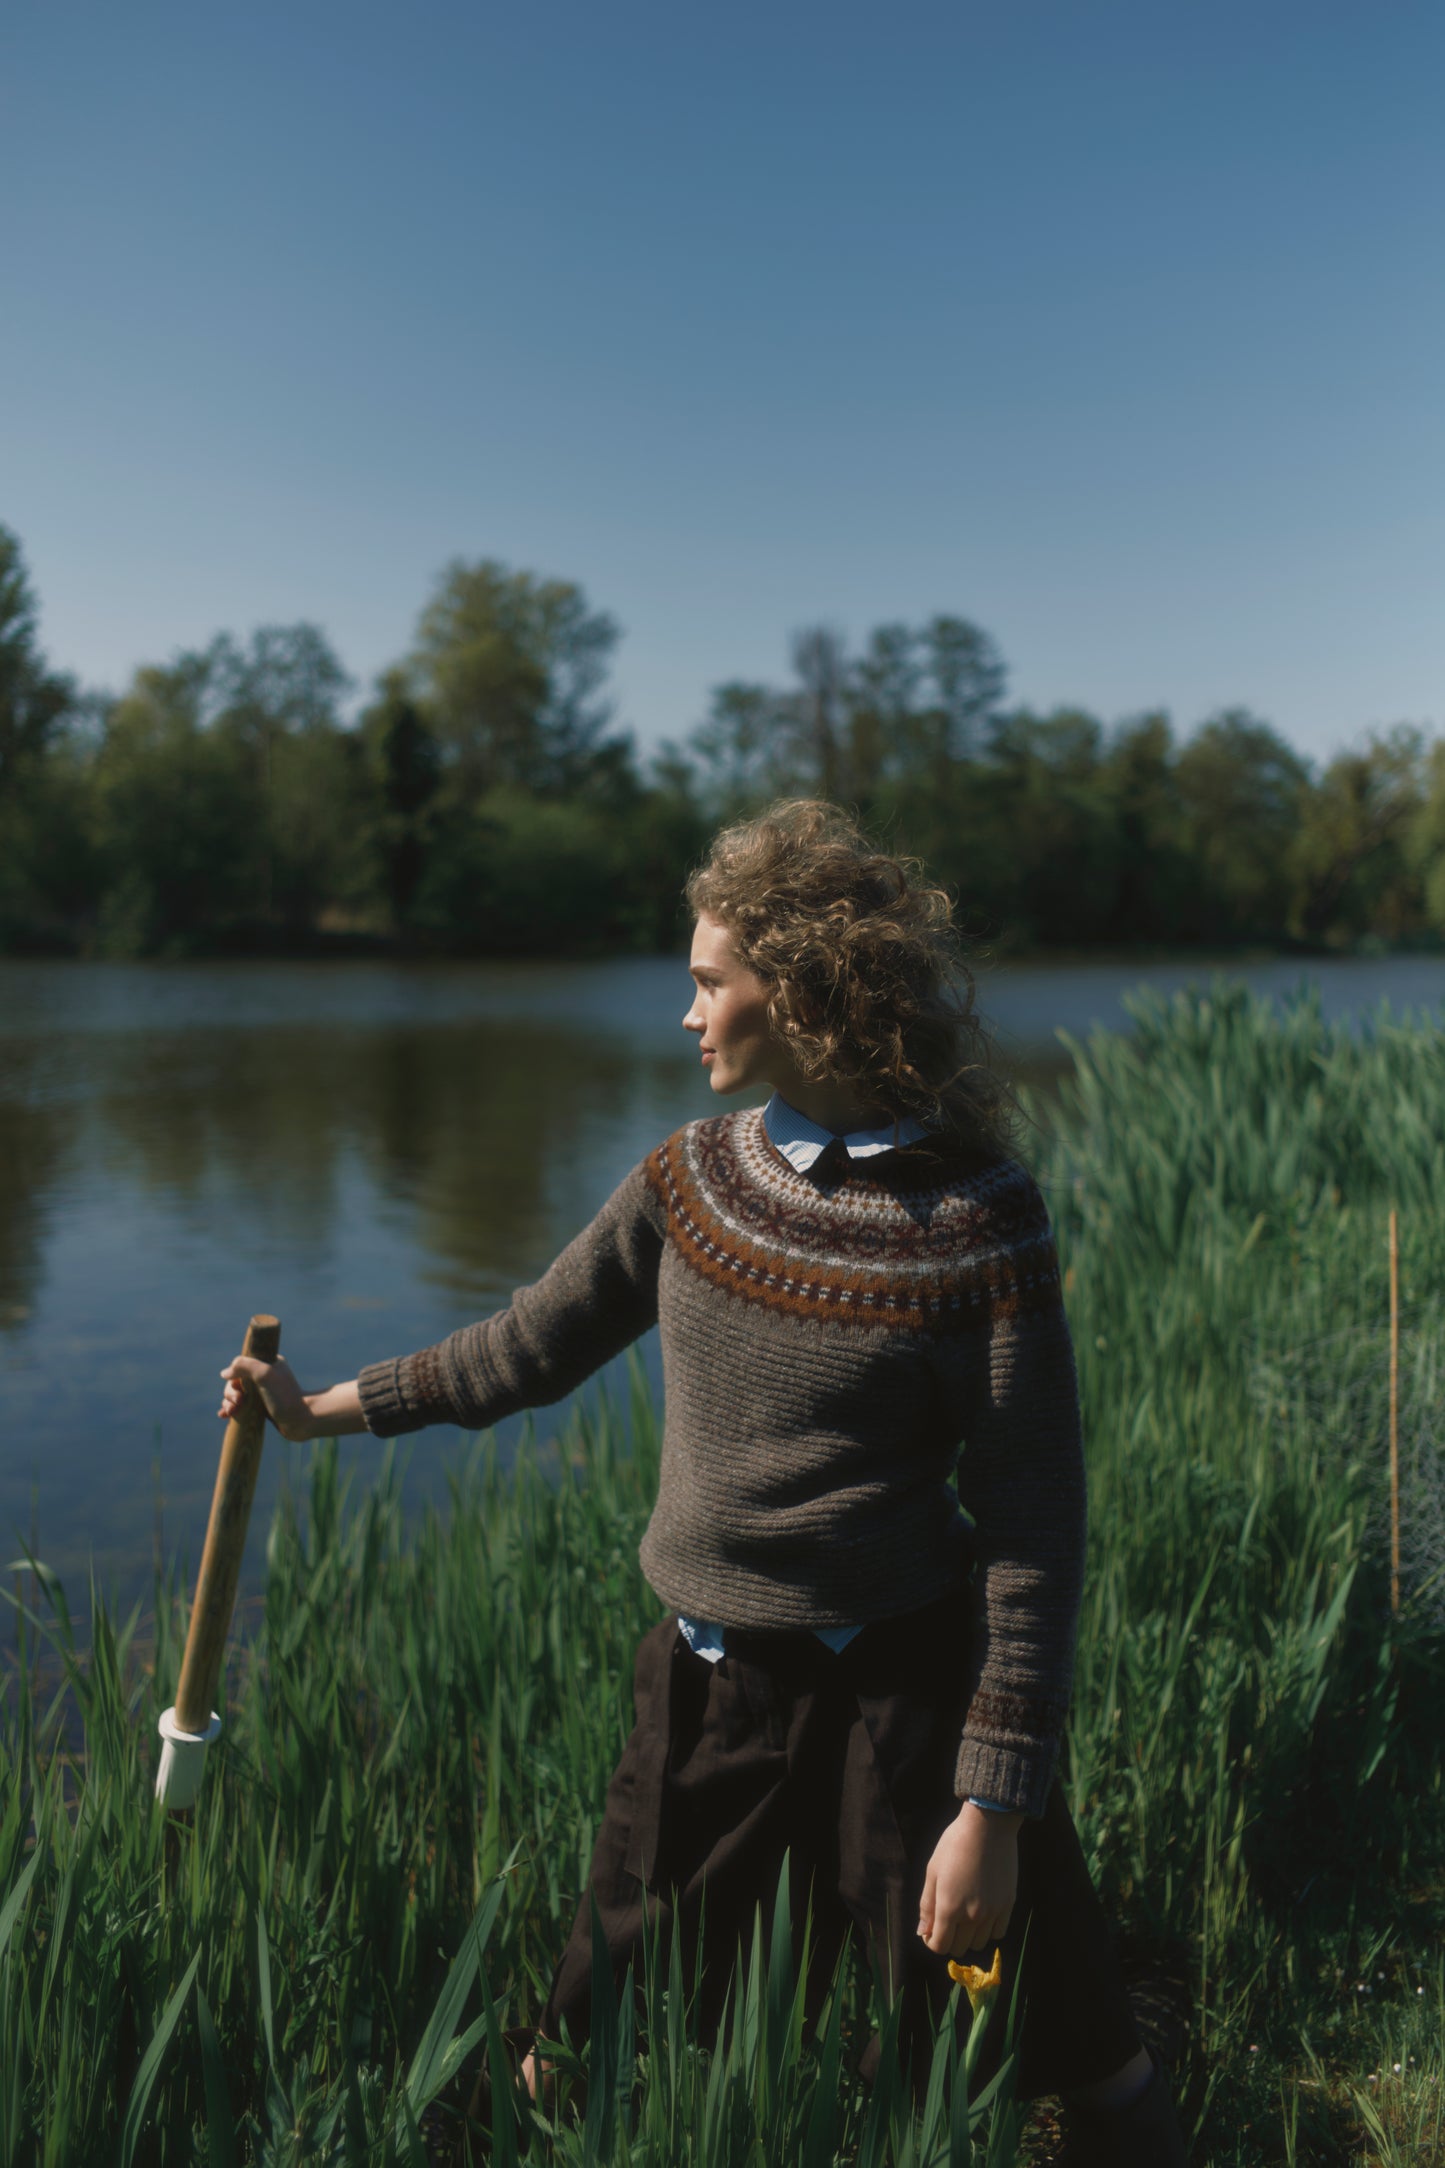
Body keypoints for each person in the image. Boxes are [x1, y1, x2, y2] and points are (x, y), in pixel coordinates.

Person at [220, 801, 1187, 2164]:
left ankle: (1133, 2125)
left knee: (1009, 2006)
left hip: (902, 1696)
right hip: (708, 1680)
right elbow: (525, 1346)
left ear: (794, 994)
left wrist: (993, 1805)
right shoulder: (688, 1182)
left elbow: (1032, 1526)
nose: (685, 1014)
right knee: (599, 1994)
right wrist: (321, 1413)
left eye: (706, 982)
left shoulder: (975, 1219)